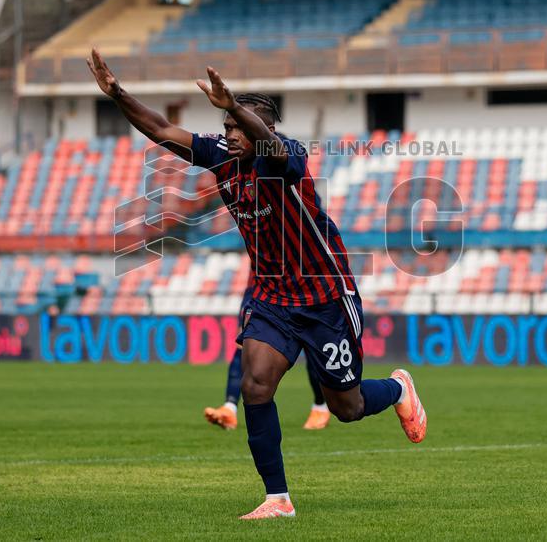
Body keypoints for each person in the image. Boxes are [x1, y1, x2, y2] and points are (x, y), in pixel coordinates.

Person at [87, 49, 426, 519]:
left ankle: (398, 389)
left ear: (258, 129)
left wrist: (234, 108)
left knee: (346, 407)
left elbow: (269, 141)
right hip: (272, 297)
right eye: (225, 128)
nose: (228, 136)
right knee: (256, 385)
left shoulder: (285, 158)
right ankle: (277, 498)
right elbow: (163, 131)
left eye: (235, 128)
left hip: (326, 295)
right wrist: (117, 93)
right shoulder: (222, 159)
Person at [204, 282, 332, 431]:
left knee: (312, 346)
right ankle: (230, 407)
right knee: (243, 344)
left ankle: (320, 407)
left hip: (301, 291)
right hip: (260, 290)